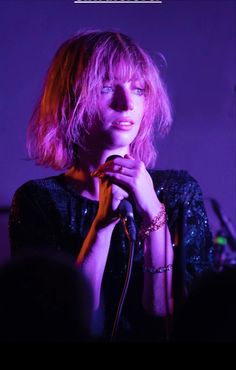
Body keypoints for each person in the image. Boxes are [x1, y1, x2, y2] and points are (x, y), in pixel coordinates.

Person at [9, 30, 215, 342]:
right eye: (106, 88)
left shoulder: (178, 193)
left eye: (139, 90)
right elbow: (64, 323)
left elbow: (167, 314)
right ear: (70, 99)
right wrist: (101, 226)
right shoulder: (38, 200)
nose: (126, 103)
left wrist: (154, 214)